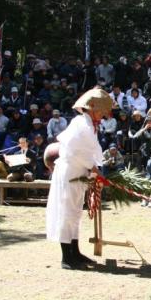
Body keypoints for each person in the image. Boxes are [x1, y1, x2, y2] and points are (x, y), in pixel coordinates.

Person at [46, 88, 113, 270]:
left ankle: (75, 251)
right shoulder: (80, 123)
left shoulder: (91, 125)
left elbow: (92, 151)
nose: (103, 115)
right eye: (101, 111)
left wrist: (95, 168)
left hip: (80, 173)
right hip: (70, 172)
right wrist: (94, 169)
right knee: (67, 212)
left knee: (75, 213)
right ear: (91, 108)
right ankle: (66, 257)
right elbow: (77, 151)